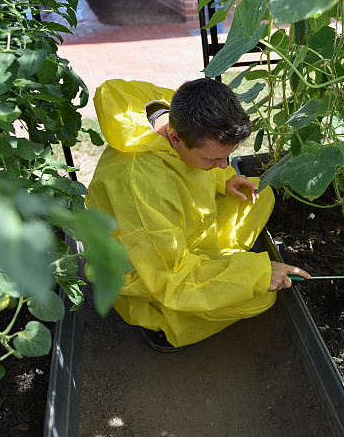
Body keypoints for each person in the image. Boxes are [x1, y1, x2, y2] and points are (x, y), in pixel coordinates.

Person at [86, 78, 310, 352]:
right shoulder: (139, 183)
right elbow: (170, 277)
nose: (223, 165)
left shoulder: (173, 113)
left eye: (226, 157)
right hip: (145, 270)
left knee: (259, 197)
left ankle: (218, 266)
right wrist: (255, 275)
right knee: (259, 298)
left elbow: (192, 168)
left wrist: (222, 179)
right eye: (212, 160)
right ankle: (161, 325)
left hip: (180, 234)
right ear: (177, 139)